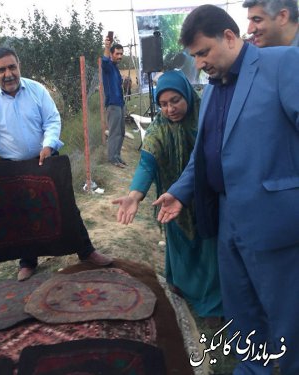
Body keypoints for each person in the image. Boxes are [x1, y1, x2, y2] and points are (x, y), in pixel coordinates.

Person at [152, 5, 299, 374]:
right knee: (242, 312)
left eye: (203, 52)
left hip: (275, 220)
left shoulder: (281, 64)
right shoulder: (213, 89)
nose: (199, 64)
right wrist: (180, 191)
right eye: (194, 57)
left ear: (230, 37)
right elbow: (205, 154)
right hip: (227, 219)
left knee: (288, 320)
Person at [0, 47, 113, 282]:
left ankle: (86, 251)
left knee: (65, 207)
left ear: (19, 65)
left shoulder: (37, 90)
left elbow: (52, 120)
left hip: (46, 159)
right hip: (11, 166)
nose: (8, 73)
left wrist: (49, 144)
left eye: (12, 67)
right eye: (1, 70)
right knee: (20, 215)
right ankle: (28, 262)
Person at [113, 70, 223, 323]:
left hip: (206, 199)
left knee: (208, 251)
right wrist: (134, 196)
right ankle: (180, 285)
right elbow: (147, 164)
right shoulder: (158, 130)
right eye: (163, 104)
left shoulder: (206, 120)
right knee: (181, 246)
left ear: (187, 94)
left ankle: (212, 304)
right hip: (172, 201)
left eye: (175, 100)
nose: (170, 109)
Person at [102, 36, 127, 168]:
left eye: (121, 54)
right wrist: (107, 46)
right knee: (114, 132)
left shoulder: (115, 68)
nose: (120, 56)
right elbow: (104, 61)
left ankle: (117, 156)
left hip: (120, 104)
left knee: (121, 132)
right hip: (113, 105)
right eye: (117, 53)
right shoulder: (108, 67)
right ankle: (112, 159)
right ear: (112, 54)